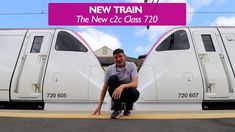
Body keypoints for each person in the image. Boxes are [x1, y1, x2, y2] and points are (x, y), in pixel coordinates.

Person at [93, 48, 139, 119]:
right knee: (112, 78)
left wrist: (122, 86)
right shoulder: (109, 69)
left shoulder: (132, 65)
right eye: (116, 57)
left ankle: (127, 108)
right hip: (115, 93)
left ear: (125, 56)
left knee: (135, 93)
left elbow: (135, 83)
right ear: (113, 59)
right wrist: (100, 105)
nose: (118, 59)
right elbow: (105, 87)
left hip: (127, 92)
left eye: (120, 56)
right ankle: (117, 109)